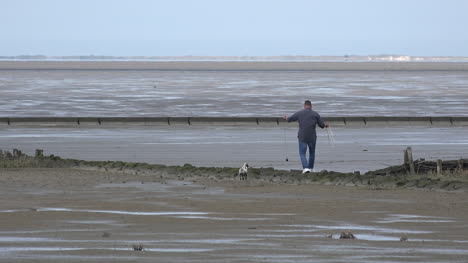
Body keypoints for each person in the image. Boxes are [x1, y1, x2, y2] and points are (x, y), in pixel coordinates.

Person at [282, 100, 328, 174]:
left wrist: (286, 118)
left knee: (302, 153)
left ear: (304, 106)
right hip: (312, 137)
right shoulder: (315, 114)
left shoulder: (300, 113)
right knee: (312, 153)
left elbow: (291, 119)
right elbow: (321, 125)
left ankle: (306, 168)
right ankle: (311, 168)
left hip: (302, 136)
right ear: (311, 106)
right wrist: (325, 125)